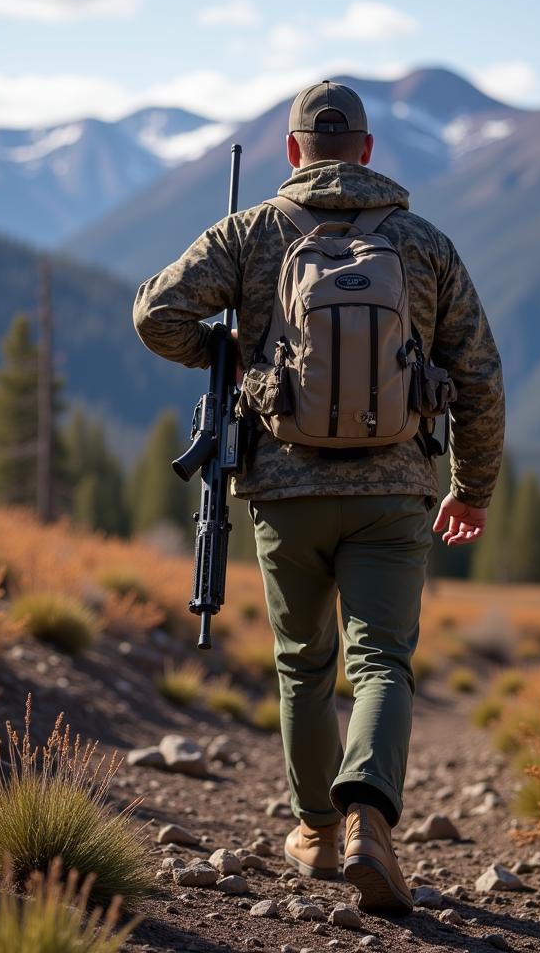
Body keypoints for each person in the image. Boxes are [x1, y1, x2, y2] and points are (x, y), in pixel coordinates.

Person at [133, 80, 504, 914]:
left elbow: (156, 314)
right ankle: (370, 814)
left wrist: (227, 353)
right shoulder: (422, 242)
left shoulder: (253, 232)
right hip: (394, 491)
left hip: (286, 488)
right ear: (368, 151)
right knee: (382, 661)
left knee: (304, 666)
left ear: (294, 151)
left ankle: (317, 833)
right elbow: (478, 373)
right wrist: (470, 488)